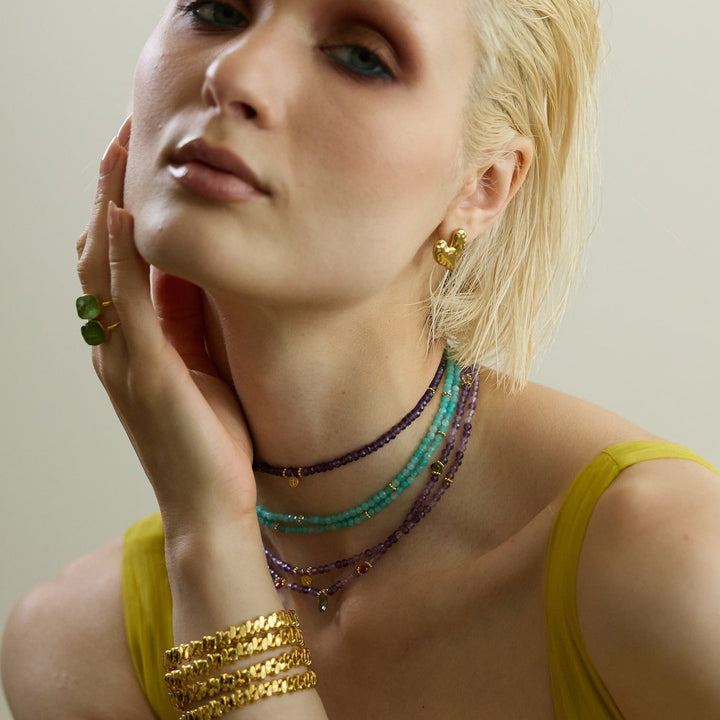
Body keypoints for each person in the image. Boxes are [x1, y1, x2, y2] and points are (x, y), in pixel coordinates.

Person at [2, 0, 720, 717]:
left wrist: (211, 540)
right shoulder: (78, 650)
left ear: (482, 185)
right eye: (217, 9)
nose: (233, 73)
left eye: (361, 57)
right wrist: (206, 529)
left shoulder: (671, 566)